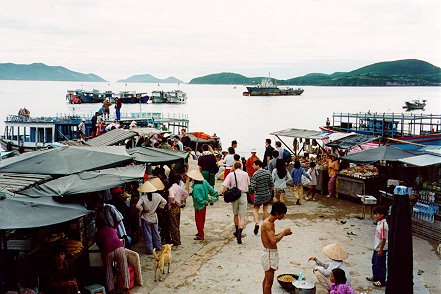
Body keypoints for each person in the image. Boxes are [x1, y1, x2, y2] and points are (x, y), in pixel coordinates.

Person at [261, 202, 292, 294]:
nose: (283, 216)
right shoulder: (267, 223)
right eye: (282, 214)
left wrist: (284, 234)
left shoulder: (271, 222)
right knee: (269, 284)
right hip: (269, 254)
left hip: (270, 253)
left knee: (266, 280)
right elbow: (273, 240)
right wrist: (284, 232)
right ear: (278, 213)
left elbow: (272, 237)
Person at [95, 218, 130, 294]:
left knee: (108, 270)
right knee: (124, 267)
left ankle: (111, 290)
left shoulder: (98, 233)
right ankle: (126, 288)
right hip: (119, 247)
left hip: (108, 250)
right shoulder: (112, 229)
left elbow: (99, 246)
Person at [222, 162, 250, 244]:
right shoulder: (245, 174)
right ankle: (239, 234)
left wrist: (225, 195)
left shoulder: (231, 174)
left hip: (234, 196)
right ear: (241, 166)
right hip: (243, 195)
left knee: (235, 214)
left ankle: (236, 230)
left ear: (234, 166)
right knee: (242, 217)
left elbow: (225, 186)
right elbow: (248, 184)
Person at [136, 180, 166, 254]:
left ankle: (150, 250)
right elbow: (164, 202)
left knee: (148, 234)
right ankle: (158, 246)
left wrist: (142, 209)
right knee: (156, 233)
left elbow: (137, 206)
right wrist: (159, 207)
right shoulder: (158, 195)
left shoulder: (143, 197)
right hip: (154, 217)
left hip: (146, 217)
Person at [188, 169, 219, 240]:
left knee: (198, 220)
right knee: (202, 219)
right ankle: (200, 231)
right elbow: (211, 190)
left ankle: (201, 234)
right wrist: (216, 194)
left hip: (199, 205)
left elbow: (198, 198)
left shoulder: (196, 187)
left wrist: (203, 201)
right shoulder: (205, 182)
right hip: (204, 205)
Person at [367, 206, 388, 287]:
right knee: (374, 263)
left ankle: (381, 281)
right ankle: (375, 277)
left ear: (382, 215)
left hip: (380, 249)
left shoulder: (383, 225)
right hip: (376, 247)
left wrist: (381, 250)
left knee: (381, 265)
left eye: (376, 214)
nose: (375, 216)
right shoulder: (379, 223)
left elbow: (384, 239)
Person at [250, 160, 273, 235]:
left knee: (255, 209)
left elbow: (253, 187)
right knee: (265, 209)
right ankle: (265, 225)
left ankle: (257, 223)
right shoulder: (267, 172)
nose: (253, 166)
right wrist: (269, 191)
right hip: (267, 194)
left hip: (258, 195)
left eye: (254, 165)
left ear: (258, 165)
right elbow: (271, 184)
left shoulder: (255, 175)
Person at [168, 175, 189, 246]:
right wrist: (181, 200)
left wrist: (174, 202)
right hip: (178, 208)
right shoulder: (179, 188)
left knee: (173, 225)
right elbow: (186, 193)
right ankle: (177, 239)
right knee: (177, 224)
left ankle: (175, 240)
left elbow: (172, 196)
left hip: (173, 208)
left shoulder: (171, 188)